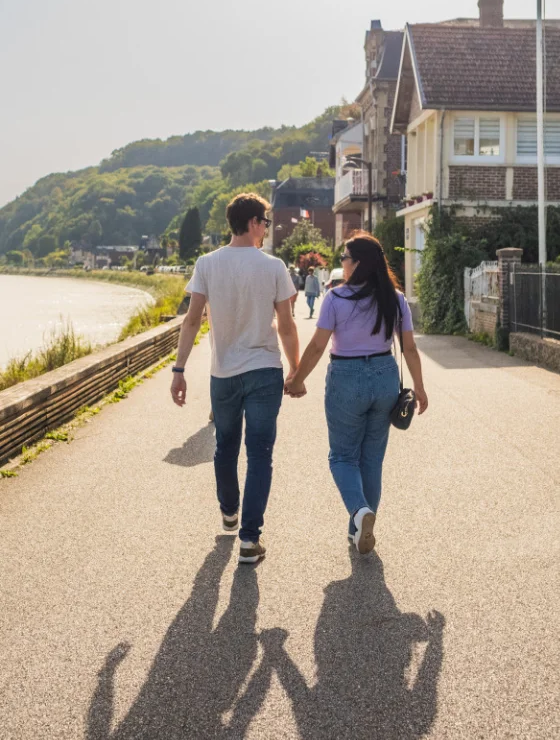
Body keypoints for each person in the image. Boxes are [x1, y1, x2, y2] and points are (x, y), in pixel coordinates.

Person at [170, 193, 302, 565]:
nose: (267, 230)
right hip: (263, 371)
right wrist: (295, 370)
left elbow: (192, 321)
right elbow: (287, 326)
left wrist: (179, 371)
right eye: (266, 223)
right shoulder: (273, 267)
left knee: (225, 446)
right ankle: (249, 539)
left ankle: (229, 510)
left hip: (223, 373)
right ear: (255, 223)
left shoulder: (207, 264)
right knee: (260, 454)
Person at [285, 232, 428, 555]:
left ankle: (360, 512)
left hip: (346, 378)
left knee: (342, 456)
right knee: (371, 459)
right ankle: (357, 529)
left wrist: (296, 379)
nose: (343, 265)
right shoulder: (395, 299)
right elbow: (409, 348)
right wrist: (419, 387)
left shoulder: (336, 298)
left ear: (358, 263)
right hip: (384, 377)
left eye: (345, 259)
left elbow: (318, 345)